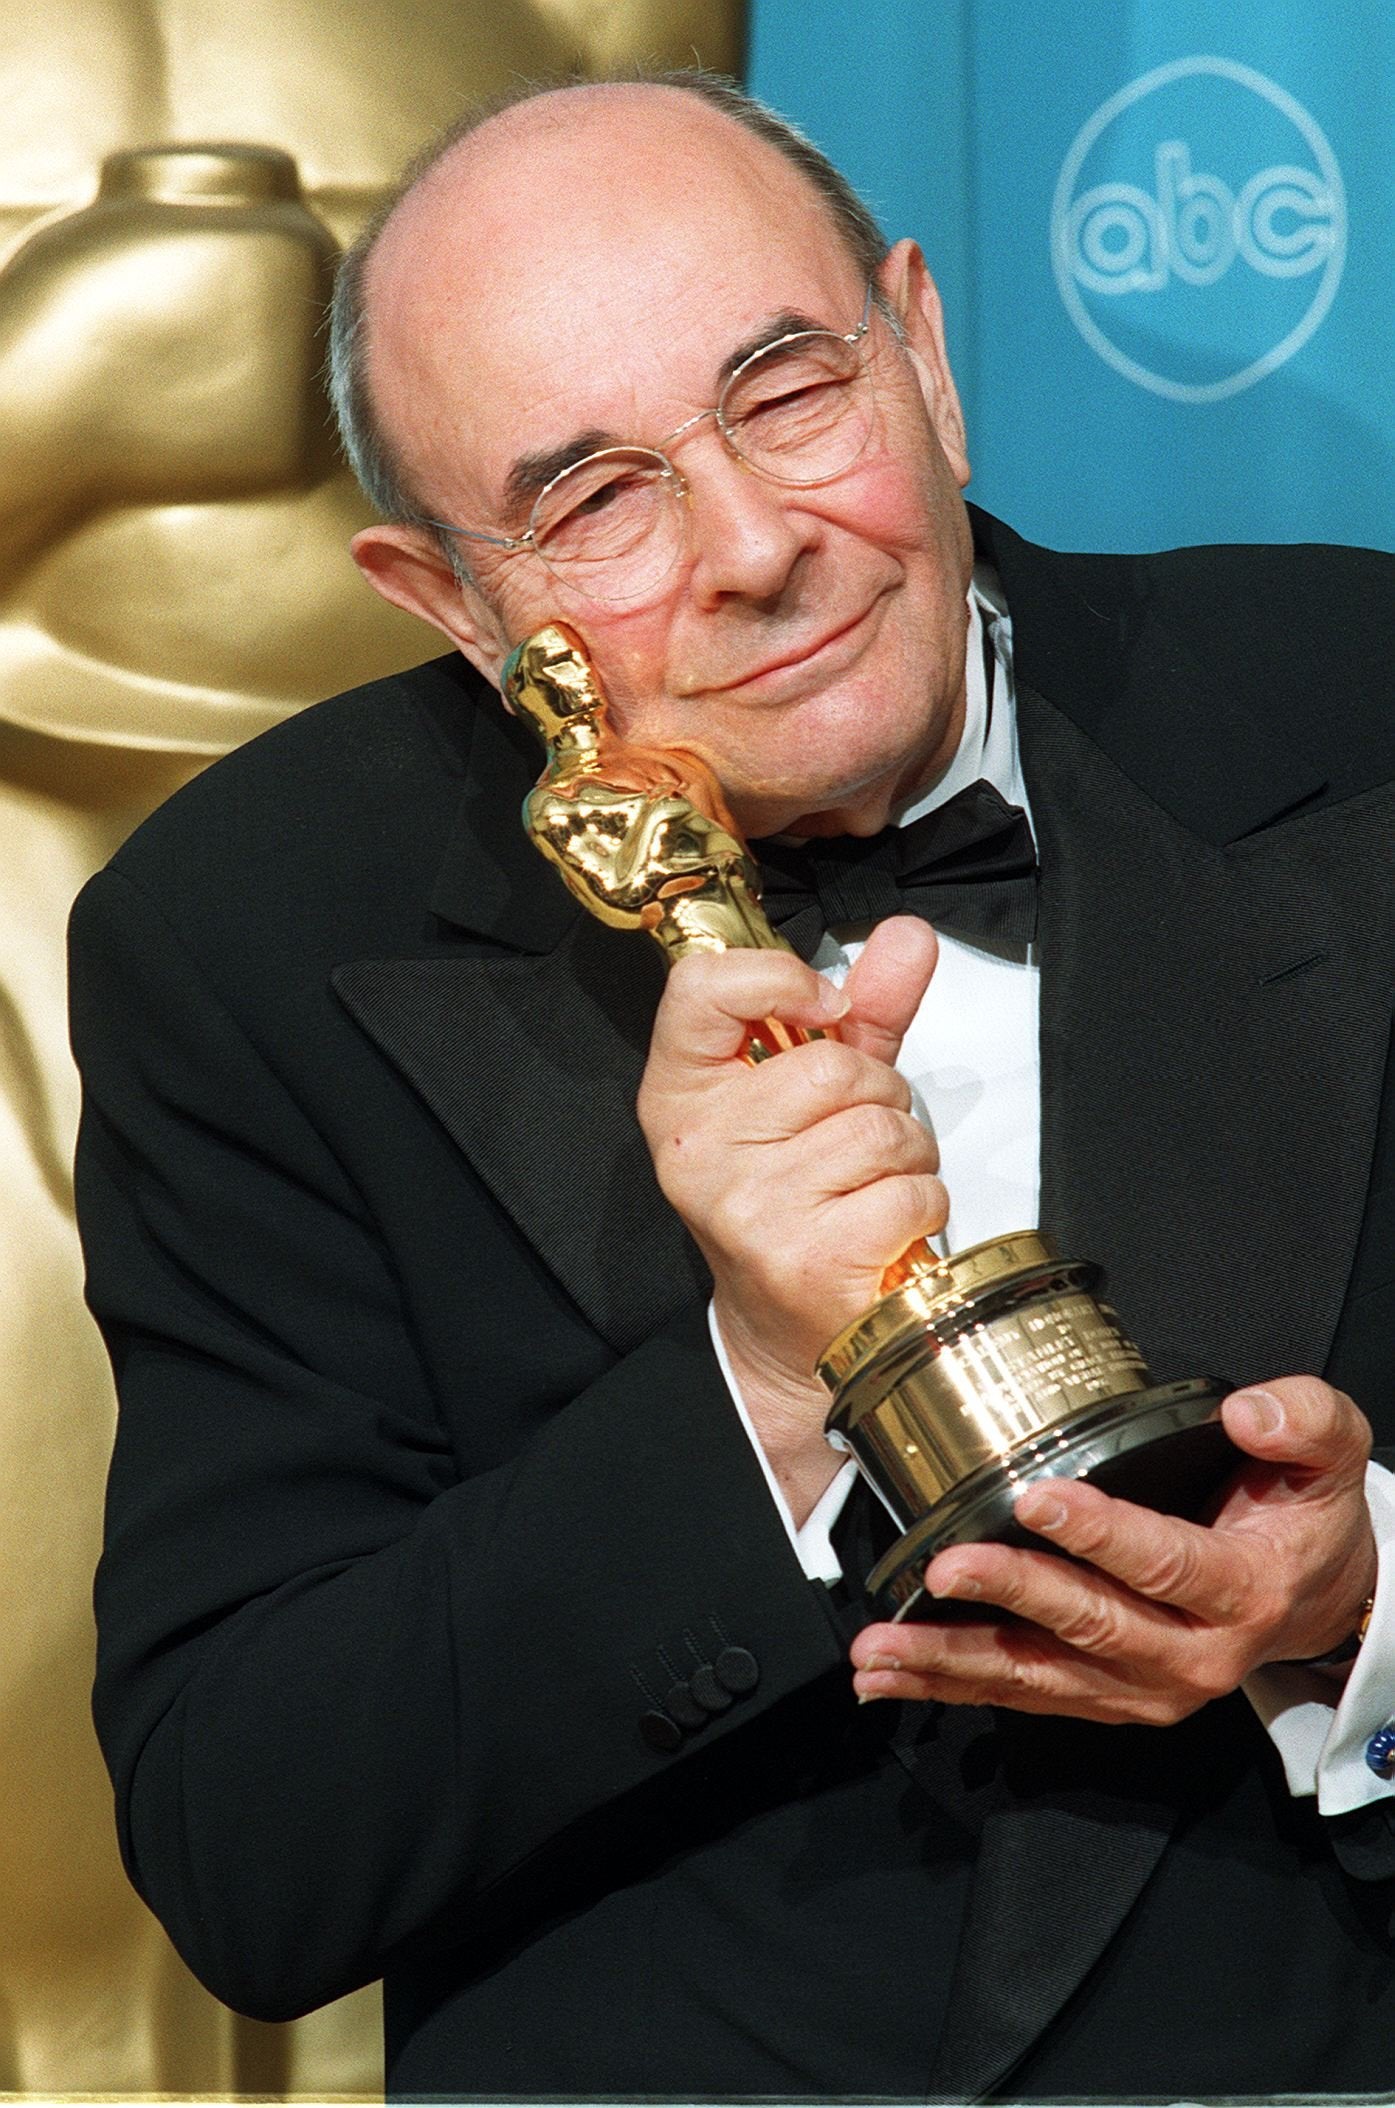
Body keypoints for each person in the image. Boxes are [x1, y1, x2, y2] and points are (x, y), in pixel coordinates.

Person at [69, 71, 1395, 2100]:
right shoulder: (239, 935)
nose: (756, 546)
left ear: (926, 353)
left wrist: (1359, 1608)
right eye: (592, 497)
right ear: (448, 602)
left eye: (785, 391)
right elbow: (252, 1848)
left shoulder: (1361, 705)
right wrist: (760, 1390)